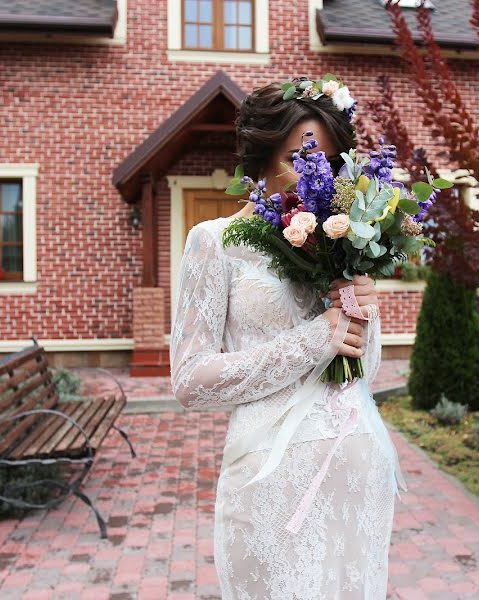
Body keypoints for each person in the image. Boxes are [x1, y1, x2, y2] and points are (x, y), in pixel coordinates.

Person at [169, 76, 407, 599]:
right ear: (262, 157)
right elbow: (190, 381)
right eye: (299, 158)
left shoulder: (338, 241)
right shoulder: (214, 243)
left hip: (356, 471)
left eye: (325, 160)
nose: (312, 174)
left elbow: (365, 370)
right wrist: (313, 340)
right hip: (269, 486)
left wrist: (360, 307)